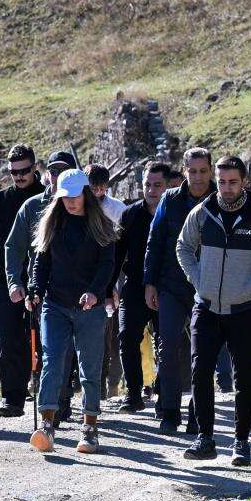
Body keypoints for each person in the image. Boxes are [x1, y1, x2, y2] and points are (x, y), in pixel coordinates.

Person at [177, 155, 251, 465]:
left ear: (244, 183)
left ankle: (241, 442)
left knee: (244, 378)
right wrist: (198, 279)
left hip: (245, 309)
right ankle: (205, 439)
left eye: (233, 182)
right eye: (222, 181)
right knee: (200, 372)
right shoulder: (203, 212)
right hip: (207, 306)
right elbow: (183, 247)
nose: (226, 188)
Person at [26, 169, 117, 453]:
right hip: (55, 304)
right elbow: (41, 263)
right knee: (52, 361)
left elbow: (107, 266)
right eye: (65, 196)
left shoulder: (101, 226)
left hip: (90, 307)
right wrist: (35, 288)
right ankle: (47, 425)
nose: (70, 201)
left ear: (86, 194)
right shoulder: (52, 224)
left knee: (89, 367)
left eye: (75, 195)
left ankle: (90, 427)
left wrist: (95, 292)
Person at [143, 147, 216, 433]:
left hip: (208, 288)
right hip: (171, 285)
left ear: (210, 171)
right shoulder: (170, 200)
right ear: (184, 171)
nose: (197, 177)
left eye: (203, 171)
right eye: (192, 171)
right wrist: (149, 282)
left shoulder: (221, 200)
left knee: (203, 352)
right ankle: (170, 410)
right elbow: (155, 241)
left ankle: (197, 412)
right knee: (168, 346)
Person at [5, 150, 79, 425]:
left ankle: (63, 396)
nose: (58, 176)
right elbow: (13, 246)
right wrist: (15, 281)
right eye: (54, 171)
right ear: (47, 173)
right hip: (43, 290)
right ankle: (53, 404)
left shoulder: (86, 205)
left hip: (78, 292)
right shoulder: (32, 207)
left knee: (70, 350)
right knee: (50, 349)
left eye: (64, 170)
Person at [0, 145, 45, 417]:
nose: (19, 176)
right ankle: (12, 399)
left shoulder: (46, 198)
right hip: (5, 281)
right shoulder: (1, 199)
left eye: (24, 171)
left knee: (43, 339)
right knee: (7, 340)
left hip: (42, 281)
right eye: (14, 172)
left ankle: (53, 399)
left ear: (34, 168)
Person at [110, 162, 169, 412]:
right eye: (147, 184)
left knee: (166, 340)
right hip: (134, 286)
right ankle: (133, 394)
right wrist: (107, 288)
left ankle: (164, 392)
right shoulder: (130, 215)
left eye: (157, 185)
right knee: (127, 338)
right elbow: (116, 253)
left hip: (167, 287)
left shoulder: (176, 214)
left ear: (166, 186)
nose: (152, 190)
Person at [85, 163, 127, 399]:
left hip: (114, 272)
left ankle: (112, 383)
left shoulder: (117, 209)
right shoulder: (76, 207)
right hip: (87, 273)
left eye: (102, 186)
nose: (98, 191)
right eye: (94, 186)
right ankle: (94, 385)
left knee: (112, 330)